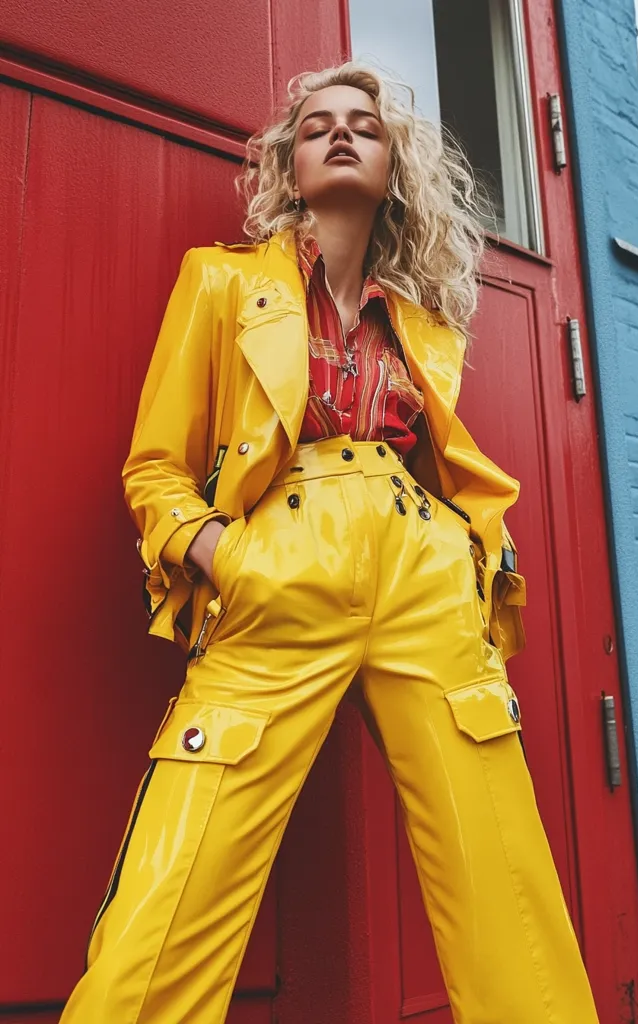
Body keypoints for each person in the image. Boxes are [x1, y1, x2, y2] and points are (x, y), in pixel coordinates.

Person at [60, 62, 599, 1024]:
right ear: (288, 163)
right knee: (171, 893)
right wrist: (224, 556)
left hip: (423, 585)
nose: (341, 135)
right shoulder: (222, 283)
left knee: (506, 889)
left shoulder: (427, 328)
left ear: (394, 167)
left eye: (366, 125)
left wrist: (467, 567)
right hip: (278, 575)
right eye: (318, 127)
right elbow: (155, 469)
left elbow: (439, 471)